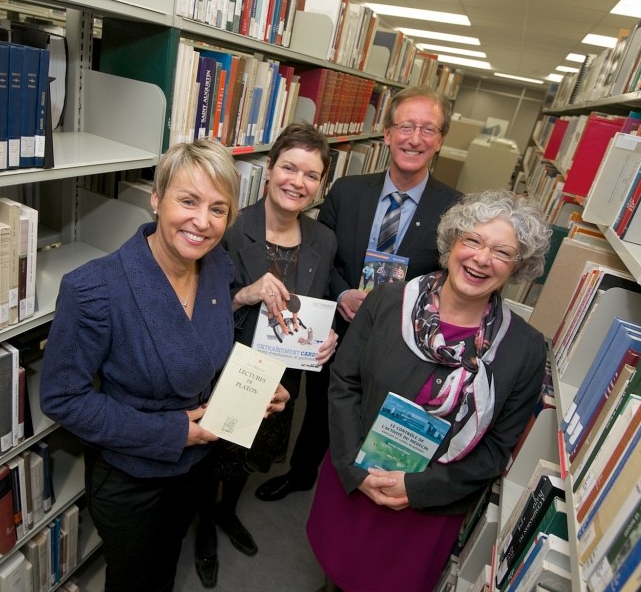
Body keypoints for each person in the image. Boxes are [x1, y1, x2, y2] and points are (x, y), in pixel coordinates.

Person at [39, 139, 288, 592]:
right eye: (188, 201)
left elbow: (204, 349)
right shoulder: (95, 289)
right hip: (133, 477)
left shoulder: (217, 268)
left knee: (167, 565)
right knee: (133, 580)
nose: (202, 221)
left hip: (195, 468)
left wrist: (256, 389)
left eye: (218, 208)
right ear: (156, 199)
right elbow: (62, 397)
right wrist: (175, 432)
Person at [306, 190, 552, 592]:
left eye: (502, 252)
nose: (481, 259)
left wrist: (417, 489)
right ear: (452, 242)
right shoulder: (386, 301)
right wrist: (355, 468)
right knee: (336, 569)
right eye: (472, 240)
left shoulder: (524, 349)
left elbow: (496, 449)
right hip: (355, 475)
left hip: (425, 507)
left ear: (518, 267)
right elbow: (345, 383)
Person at [256, 85, 463, 502]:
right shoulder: (348, 191)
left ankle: (365, 483)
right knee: (321, 407)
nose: (415, 139)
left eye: (428, 129)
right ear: (386, 133)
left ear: (440, 141)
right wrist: (343, 293)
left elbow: (448, 282)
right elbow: (320, 257)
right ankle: (302, 474)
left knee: (376, 414)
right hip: (338, 326)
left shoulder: (453, 210)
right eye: (405, 126)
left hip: (401, 342)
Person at [194, 122, 338, 588]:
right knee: (210, 454)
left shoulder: (324, 241)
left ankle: (227, 512)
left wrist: (326, 338)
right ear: (270, 169)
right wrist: (243, 296)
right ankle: (202, 533)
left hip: (279, 378)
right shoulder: (229, 227)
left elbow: (313, 310)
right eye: (289, 168)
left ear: (321, 185)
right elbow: (197, 309)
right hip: (224, 368)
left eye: (311, 175)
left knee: (246, 456)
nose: (298, 182)